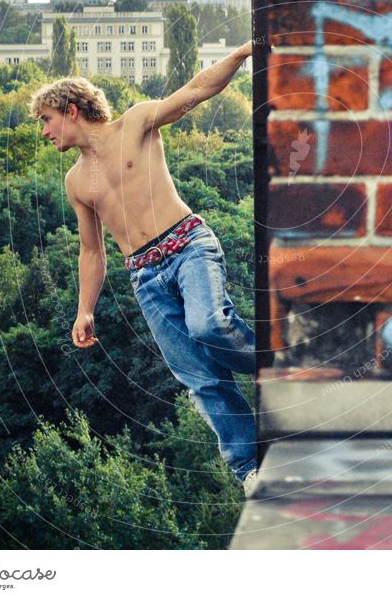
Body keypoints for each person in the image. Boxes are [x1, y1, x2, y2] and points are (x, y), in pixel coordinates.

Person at [29, 41, 258, 496]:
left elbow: (195, 91)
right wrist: (84, 310)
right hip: (145, 277)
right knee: (198, 375)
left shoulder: (135, 124)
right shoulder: (76, 181)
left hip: (187, 245)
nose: (43, 132)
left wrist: (244, 53)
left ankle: (281, 366)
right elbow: (92, 251)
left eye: (45, 120)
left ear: (70, 110)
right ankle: (250, 467)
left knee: (210, 324)